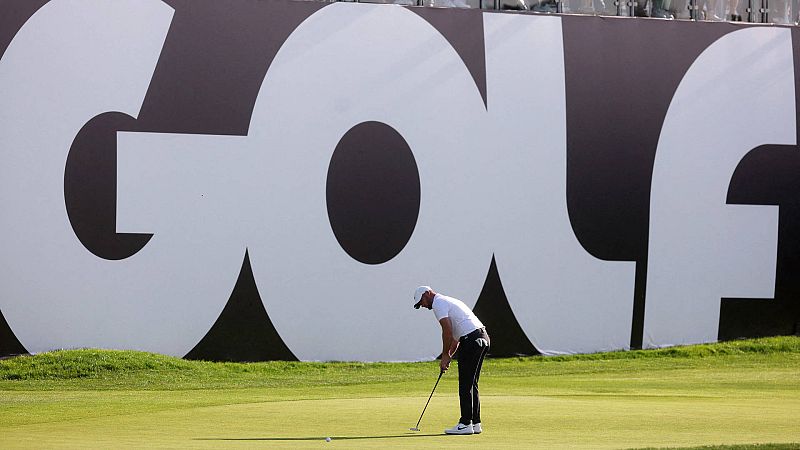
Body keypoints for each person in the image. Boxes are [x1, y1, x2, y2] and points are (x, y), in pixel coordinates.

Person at [413, 285, 490, 435]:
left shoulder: (438, 303)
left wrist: (444, 356)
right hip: (482, 338)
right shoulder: (449, 301)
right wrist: (449, 356)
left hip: (471, 340)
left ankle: (465, 423)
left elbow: (447, 331)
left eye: (421, 302)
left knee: (465, 384)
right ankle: (475, 423)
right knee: (472, 383)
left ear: (427, 293)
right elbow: (455, 339)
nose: (422, 305)